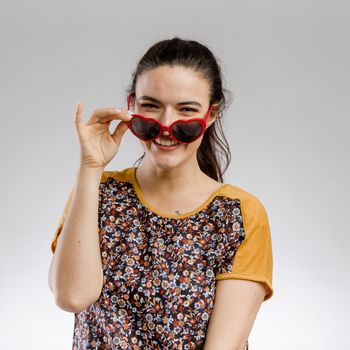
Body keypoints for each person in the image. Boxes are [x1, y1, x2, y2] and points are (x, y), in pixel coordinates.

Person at [48, 37, 273, 350]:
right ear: (131, 107)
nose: (167, 125)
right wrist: (90, 167)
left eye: (186, 110)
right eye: (151, 106)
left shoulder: (238, 214)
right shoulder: (97, 194)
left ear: (211, 114)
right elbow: (72, 296)